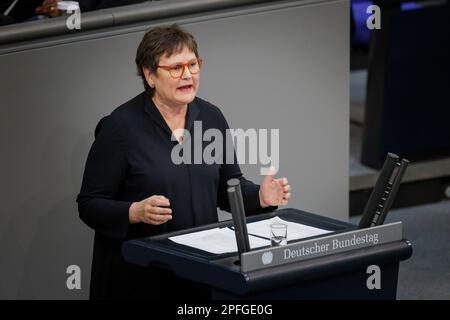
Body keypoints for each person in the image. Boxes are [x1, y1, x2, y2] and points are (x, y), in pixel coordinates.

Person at [77, 24, 292, 300]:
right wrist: (134, 212)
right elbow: (89, 204)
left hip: (197, 271)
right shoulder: (120, 127)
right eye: (176, 67)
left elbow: (228, 188)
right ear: (149, 74)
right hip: (140, 277)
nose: (187, 74)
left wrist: (261, 197)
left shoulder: (210, 117)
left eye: (193, 64)